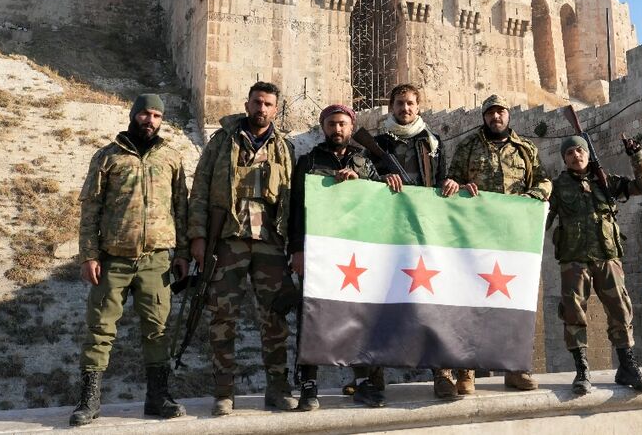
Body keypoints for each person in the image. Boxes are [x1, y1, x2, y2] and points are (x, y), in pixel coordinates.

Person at [70, 94, 189, 426]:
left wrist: (181, 255)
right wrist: (89, 255)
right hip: (113, 259)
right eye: (144, 114)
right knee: (100, 329)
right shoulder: (108, 157)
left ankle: (158, 397)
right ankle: (89, 400)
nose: (150, 120)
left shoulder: (171, 158)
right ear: (133, 115)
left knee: (158, 329)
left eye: (156, 115)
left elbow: (182, 208)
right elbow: (90, 208)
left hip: (157, 261)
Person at [187, 81, 297, 416]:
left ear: (275, 110)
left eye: (268, 104)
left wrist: (294, 245)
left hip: (270, 241)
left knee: (275, 317)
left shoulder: (285, 147)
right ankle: (224, 392)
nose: (261, 109)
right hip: (229, 240)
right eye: (257, 102)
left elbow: (293, 198)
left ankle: (278, 389)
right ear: (246, 104)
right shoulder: (222, 142)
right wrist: (198, 238)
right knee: (223, 316)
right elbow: (201, 189)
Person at [446, 94, 552, 396]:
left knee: (514, 302)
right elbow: (451, 181)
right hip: (476, 237)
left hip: (513, 238)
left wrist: (528, 197)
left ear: (508, 115)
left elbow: (544, 183)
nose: (496, 117)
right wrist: (459, 187)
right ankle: (465, 372)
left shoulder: (526, 149)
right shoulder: (468, 147)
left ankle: (515, 369)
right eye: (491, 113)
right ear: (484, 117)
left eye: (501, 112)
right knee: (470, 301)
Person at [363, 83, 461, 400]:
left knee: (432, 305)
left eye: (410, 104)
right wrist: (381, 181)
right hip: (387, 235)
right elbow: (363, 179)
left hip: (423, 232)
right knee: (382, 304)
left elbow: (443, 177)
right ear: (391, 107)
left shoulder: (432, 143)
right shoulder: (377, 144)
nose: (405, 109)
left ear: (418, 107)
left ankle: (442, 374)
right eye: (399, 104)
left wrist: (450, 183)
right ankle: (374, 375)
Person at [288, 104, 381, 410]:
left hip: (356, 253)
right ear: (323, 127)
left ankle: (365, 381)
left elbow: (380, 201)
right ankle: (308, 385)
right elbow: (296, 210)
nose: (337, 129)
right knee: (312, 315)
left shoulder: (365, 161)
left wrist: (360, 183)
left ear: (350, 127)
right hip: (319, 253)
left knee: (360, 317)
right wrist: (297, 250)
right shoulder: (309, 161)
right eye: (331, 124)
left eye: (342, 124)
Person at [549, 134, 642, 394]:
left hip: (607, 256)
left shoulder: (607, 182)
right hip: (574, 259)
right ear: (564, 159)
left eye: (580, 151)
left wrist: (636, 156)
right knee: (574, 312)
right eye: (570, 153)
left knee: (620, 309)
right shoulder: (557, 186)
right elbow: (542, 216)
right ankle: (582, 370)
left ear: (587, 153)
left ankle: (627, 367)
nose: (576, 156)